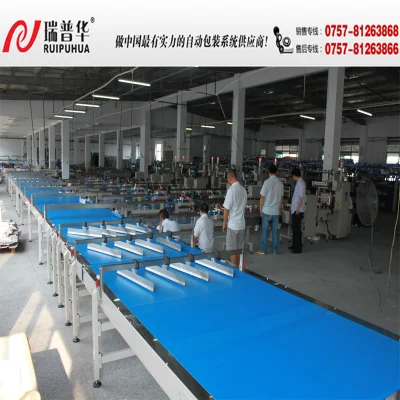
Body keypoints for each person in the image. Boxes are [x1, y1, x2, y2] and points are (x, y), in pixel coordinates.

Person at [257, 164, 284, 255]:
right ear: (276, 172)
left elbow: (262, 197)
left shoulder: (266, 182)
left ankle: (263, 250)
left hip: (266, 211)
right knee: (275, 232)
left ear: (268, 172)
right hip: (275, 211)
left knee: (265, 231)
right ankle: (274, 250)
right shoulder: (280, 183)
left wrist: (260, 209)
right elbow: (281, 198)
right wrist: (280, 208)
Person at [222, 169, 247, 266]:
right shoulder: (243, 190)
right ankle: (239, 267)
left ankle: (234, 268)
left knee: (232, 249)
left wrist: (224, 223)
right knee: (239, 249)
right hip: (242, 225)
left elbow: (226, 209)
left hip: (233, 225)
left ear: (229, 178)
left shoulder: (231, 190)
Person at [290, 167, 306, 254]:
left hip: (298, 210)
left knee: (297, 229)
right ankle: (294, 245)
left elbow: (300, 197)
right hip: (295, 209)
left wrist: (298, 208)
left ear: (295, 175)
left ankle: (298, 248)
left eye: (293, 176)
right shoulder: (299, 183)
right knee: (294, 228)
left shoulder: (301, 184)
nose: (293, 177)